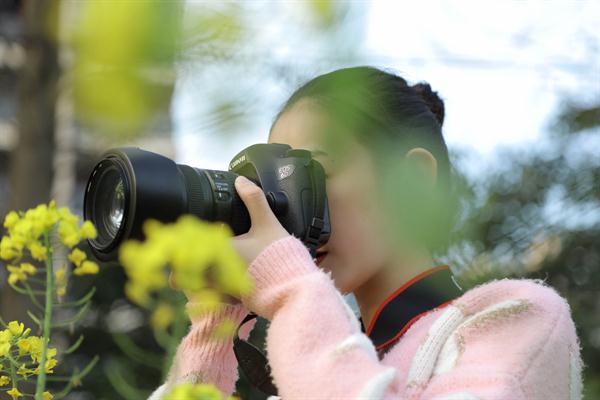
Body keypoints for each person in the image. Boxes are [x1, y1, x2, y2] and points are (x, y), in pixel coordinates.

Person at [149, 67, 583, 399]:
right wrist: (215, 325)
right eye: (278, 188)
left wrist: (291, 287)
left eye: (313, 177)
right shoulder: (315, 362)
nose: (288, 213)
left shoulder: (520, 320)